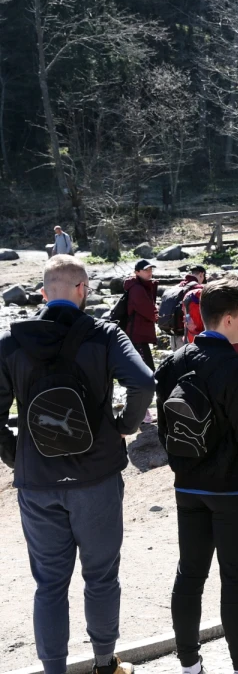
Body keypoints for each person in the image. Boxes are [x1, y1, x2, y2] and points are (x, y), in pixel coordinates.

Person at [0, 255, 153, 674]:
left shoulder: (11, 342)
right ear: (83, 290)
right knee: (101, 576)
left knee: (49, 584)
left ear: (44, 292)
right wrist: (124, 426)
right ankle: (106, 665)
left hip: (37, 482)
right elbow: (143, 382)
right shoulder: (104, 334)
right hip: (96, 476)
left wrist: (16, 455)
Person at [155, 277, 238, 674]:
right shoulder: (237, 368)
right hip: (235, 490)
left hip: (188, 486)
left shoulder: (172, 363)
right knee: (235, 581)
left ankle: (190, 665)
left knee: (189, 574)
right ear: (227, 319)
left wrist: (183, 472)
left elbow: (164, 430)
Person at [123, 260, 158, 370]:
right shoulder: (137, 288)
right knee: (147, 371)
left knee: (143, 371)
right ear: (137, 272)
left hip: (139, 335)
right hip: (137, 336)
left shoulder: (142, 285)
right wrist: (158, 315)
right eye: (145, 270)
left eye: (150, 269)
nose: (149, 272)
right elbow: (149, 311)